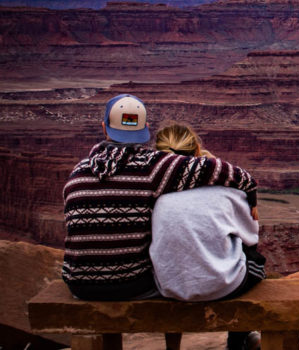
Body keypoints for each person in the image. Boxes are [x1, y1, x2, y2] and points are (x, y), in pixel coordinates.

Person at [62, 94, 258, 303]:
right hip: (131, 286)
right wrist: (251, 195)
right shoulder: (152, 166)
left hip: (79, 285)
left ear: (104, 128)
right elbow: (225, 171)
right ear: (145, 128)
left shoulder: (77, 173)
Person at [150, 122, 265, 350]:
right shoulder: (228, 191)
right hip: (221, 286)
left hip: (169, 287)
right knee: (251, 258)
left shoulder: (154, 194)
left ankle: (172, 347)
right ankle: (237, 342)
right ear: (197, 151)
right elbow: (251, 235)